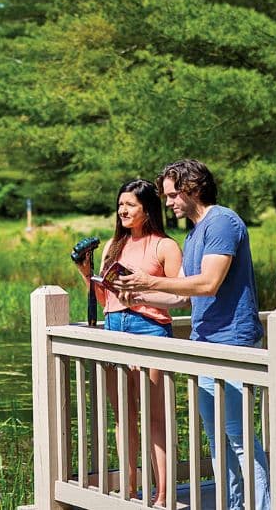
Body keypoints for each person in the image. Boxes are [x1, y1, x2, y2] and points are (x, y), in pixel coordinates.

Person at [115, 159, 271, 510]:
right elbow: (182, 295)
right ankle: (232, 505)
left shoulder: (222, 223)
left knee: (240, 436)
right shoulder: (194, 232)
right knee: (217, 439)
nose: (167, 203)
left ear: (192, 188)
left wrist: (149, 280)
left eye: (172, 195)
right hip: (203, 344)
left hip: (233, 342)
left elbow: (209, 283)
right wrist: (137, 295)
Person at [73, 178, 188, 505]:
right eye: (120, 204)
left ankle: (163, 492)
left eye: (130, 205)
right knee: (123, 414)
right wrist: (86, 271)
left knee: (155, 417)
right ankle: (130, 489)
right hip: (114, 328)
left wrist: (139, 295)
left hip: (149, 328)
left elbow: (181, 296)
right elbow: (104, 296)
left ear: (147, 208)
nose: (122, 210)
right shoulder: (113, 246)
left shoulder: (164, 246)